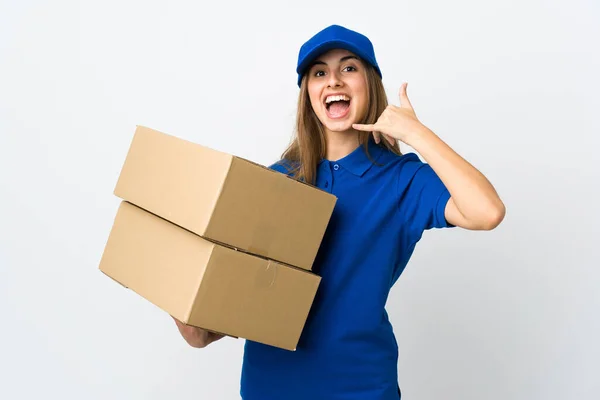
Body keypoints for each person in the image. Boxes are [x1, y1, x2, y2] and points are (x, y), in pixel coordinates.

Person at [173, 24, 506, 399]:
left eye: (348, 68)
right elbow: (210, 330)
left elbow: (487, 211)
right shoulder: (274, 182)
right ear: (309, 95)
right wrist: (181, 298)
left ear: (370, 85)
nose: (333, 80)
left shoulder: (402, 180)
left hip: (360, 388)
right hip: (270, 387)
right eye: (319, 73)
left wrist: (417, 134)